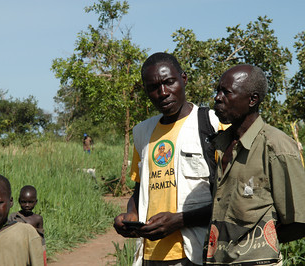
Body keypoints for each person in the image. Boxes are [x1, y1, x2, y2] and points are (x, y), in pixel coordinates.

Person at [114, 52, 222, 266]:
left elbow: (229, 199)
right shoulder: (142, 133)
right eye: (153, 87)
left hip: (197, 252)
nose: (163, 92)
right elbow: (139, 190)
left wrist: (179, 220)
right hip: (150, 255)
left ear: (184, 79)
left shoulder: (213, 125)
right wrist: (130, 216)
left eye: (169, 82)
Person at [204, 64, 305, 265]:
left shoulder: (276, 146)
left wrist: (256, 245)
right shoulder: (221, 144)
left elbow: (300, 220)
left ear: (252, 99)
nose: (218, 98)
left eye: (226, 92)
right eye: (218, 91)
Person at [8, 185, 47, 265]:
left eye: (30, 202)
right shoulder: (14, 217)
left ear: (35, 202)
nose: (27, 205)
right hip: (17, 251)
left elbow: (41, 239)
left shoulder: (37, 218)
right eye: (24, 202)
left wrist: (42, 254)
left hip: (33, 251)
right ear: (19, 201)